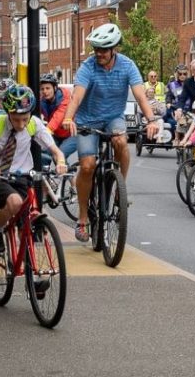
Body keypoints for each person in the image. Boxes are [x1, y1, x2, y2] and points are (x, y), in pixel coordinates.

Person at [61, 23, 158, 242]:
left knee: (121, 141)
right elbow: (76, 96)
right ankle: (83, 219)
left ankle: (118, 186)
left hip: (113, 117)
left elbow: (141, 96)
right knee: (87, 166)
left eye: (103, 50)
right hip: (88, 119)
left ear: (114, 49)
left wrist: (151, 119)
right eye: (96, 49)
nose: (99, 54)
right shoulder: (88, 67)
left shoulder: (127, 66)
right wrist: (69, 117)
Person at [0, 85, 67, 255]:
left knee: (25, 224)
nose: (21, 123)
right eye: (16, 119)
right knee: (15, 202)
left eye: (25, 118)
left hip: (22, 176)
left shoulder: (34, 124)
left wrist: (60, 161)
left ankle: (31, 272)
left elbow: (55, 150)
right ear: (8, 113)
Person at [39, 73, 77, 162]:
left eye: (48, 88)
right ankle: (46, 174)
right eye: (42, 89)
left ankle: (66, 175)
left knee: (60, 155)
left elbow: (58, 117)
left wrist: (47, 131)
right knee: (42, 153)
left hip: (72, 134)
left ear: (55, 88)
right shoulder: (42, 100)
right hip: (56, 134)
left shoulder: (65, 99)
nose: (45, 91)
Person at [165, 64, 188, 137]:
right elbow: (169, 96)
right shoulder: (172, 85)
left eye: (184, 74)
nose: (182, 75)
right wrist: (168, 102)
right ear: (176, 74)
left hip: (189, 109)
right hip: (176, 108)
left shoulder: (190, 83)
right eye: (180, 74)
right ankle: (178, 138)